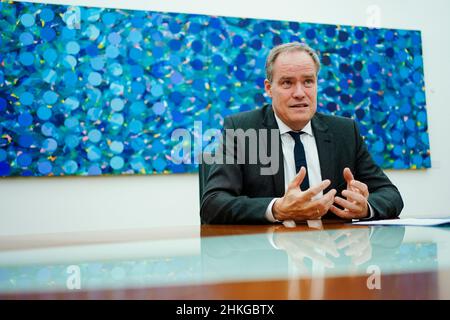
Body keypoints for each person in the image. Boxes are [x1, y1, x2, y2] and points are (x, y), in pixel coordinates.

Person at [200, 42, 403, 224]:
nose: (299, 93)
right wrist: (277, 209)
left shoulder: (344, 131)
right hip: (268, 254)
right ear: (269, 88)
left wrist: (364, 207)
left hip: (332, 254)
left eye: (308, 81)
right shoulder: (243, 129)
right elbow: (213, 203)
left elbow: (391, 195)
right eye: (287, 83)